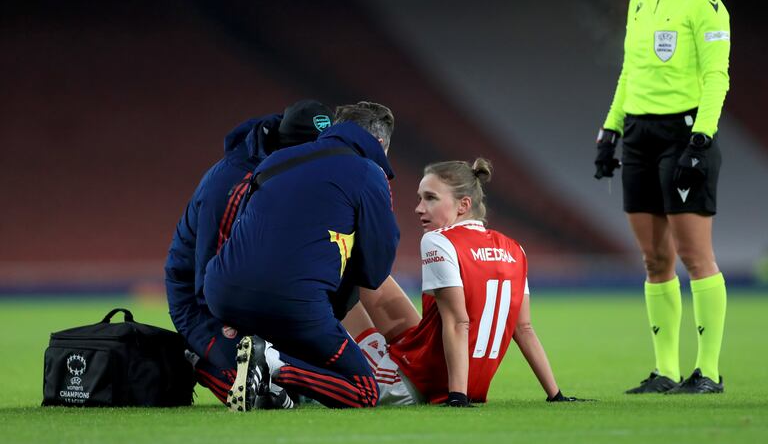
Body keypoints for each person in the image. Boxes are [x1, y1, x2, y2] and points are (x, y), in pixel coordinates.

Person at [594, 0, 730, 394]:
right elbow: (630, 72)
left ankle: (709, 372)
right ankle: (667, 371)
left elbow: (717, 77)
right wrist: (610, 131)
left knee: (696, 257)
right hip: (639, 136)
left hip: (684, 134)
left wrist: (702, 138)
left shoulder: (706, 4)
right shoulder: (637, 2)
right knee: (655, 260)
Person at [204, 101, 399, 410]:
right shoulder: (367, 172)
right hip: (293, 305)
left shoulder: (275, 160)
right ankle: (274, 364)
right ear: (378, 144)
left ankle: (216, 363)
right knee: (364, 391)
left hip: (222, 296)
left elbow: (239, 234)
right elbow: (375, 269)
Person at [353, 158, 581, 406]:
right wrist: (555, 394)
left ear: (463, 205)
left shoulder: (438, 240)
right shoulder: (514, 249)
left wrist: (457, 397)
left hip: (411, 384)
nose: (419, 208)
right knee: (368, 273)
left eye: (430, 198)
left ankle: (306, 378)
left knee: (340, 277)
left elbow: (458, 322)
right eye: (420, 198)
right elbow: (523, 329)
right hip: (462, 383)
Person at [164, 99, 333, 404]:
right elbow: (207, 278)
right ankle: (195, 359)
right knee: (261, 389)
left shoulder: (294, 173)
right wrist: (236, 324)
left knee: (310, 386)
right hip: (205, 302)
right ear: (293, 149)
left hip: (265, 295)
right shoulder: (231, 183)